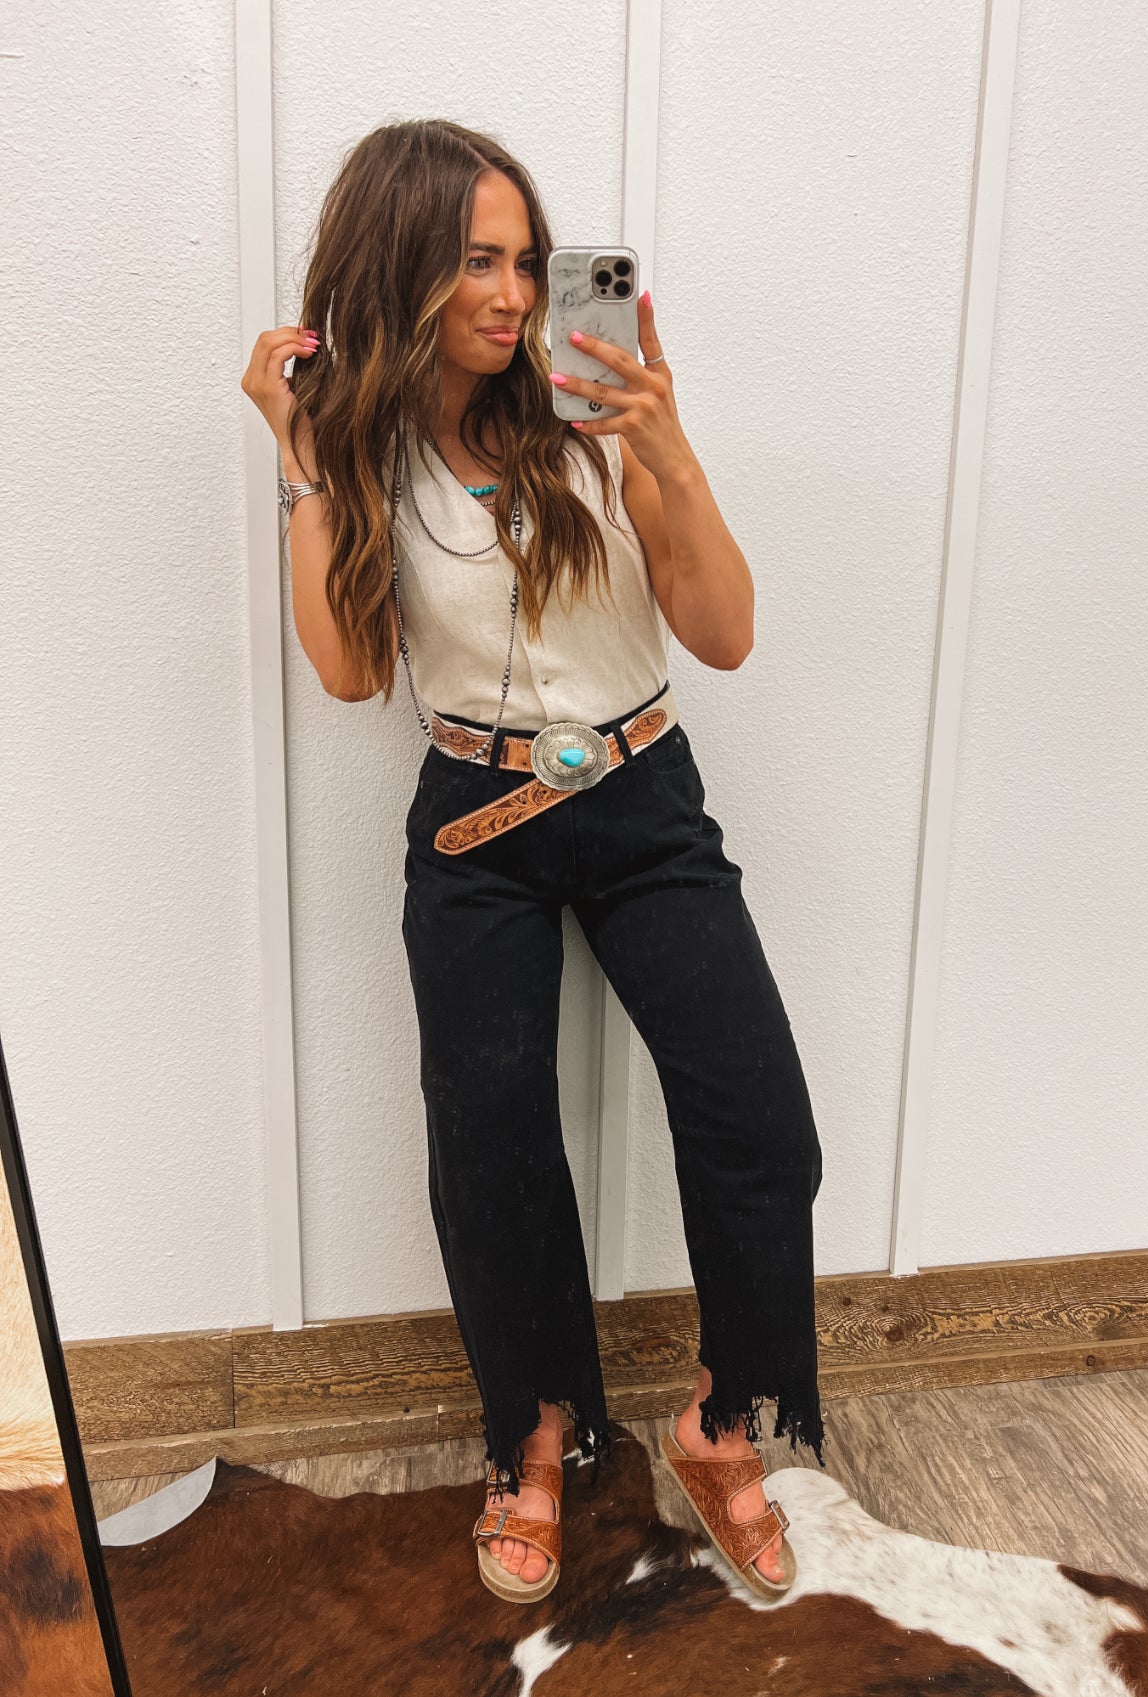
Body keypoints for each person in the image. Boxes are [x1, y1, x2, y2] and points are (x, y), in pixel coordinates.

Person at [241, 118, 825, 1604]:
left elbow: (726, 634)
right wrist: (304, 459)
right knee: (490, 1143)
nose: (511, 294)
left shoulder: (592, 414)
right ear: (402, 269)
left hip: (644, 797)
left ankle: (718, 1426)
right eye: (476, 261)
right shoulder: (366, 450)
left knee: (761, 1122)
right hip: (476, 823)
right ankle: (537, 1435)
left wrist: (663, 446)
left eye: (524, 258)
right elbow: (349, 672)